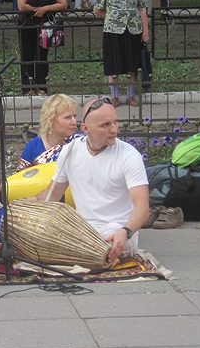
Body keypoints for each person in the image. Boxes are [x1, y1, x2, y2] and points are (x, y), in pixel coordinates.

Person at [33, 98, 150, 263]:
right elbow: (52, 194)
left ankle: (77, 255)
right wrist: (26, 203)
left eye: (115, 122)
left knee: (105, 243)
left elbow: (142, 206)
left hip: (117, 231)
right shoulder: (70, 150)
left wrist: (125, 232)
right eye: (105, 125)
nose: (113, 129)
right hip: (82, 230)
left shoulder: (129, 156)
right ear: (85, 128)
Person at [0, 93, 81, 202]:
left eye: (74, 116)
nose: (74, 122)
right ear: (50, 119)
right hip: (37, 204)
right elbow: (22, 180)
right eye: (68, 117)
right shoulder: (33, 146)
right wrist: (2, 188)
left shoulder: (81, 143)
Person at [94, 0, 149, 107]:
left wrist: (145, 31)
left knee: (132, 64)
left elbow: (142, 8)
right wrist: (111, 17)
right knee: (113, 65)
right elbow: (97, 9)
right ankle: (115, 97)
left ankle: (131, 96)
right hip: (112, 31)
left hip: (133, 30)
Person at [17, 0, 67, 96]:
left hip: (45, 25)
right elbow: (21, 5)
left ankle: (41, 87)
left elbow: (62, 3)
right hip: (27, 24)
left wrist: (45, 9)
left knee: (42, 56)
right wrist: (36, 10)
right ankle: (27, 88)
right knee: (26, 55)